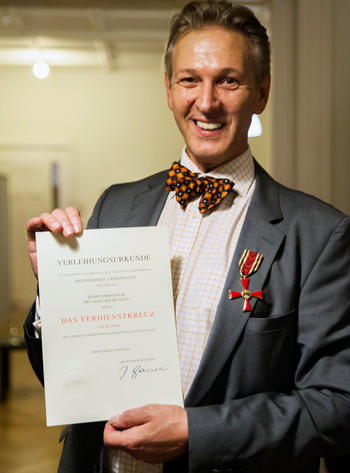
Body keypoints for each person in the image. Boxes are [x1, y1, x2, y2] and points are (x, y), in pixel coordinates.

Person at [24, 1, 350, 472]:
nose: (207, 101)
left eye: (229, 80)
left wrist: (197, 432)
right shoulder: (116, 205)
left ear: (262, 92)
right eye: (190, 79)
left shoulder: (318, 234)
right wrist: (53, 291)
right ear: (169, 88)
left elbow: (335, 405)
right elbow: (67, 380)